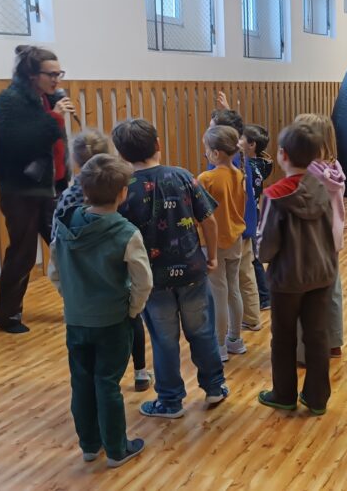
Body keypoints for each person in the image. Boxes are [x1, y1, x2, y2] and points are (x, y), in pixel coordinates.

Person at [112, 119, 229, 419]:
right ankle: (215, 386)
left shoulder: (124, 188)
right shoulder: (182, 176)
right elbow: (209, 220)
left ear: (121, 155)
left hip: (153, 280)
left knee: (164, 341)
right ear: (158, 144)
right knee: (202, 331)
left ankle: (170, 401)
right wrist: (212, 256)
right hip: (192, 271)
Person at [49, 153, 150, 468]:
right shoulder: (127, 232)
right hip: (113, 322)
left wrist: (72, 298)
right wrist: (133, 309)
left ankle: (90, 446)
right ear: (123, 193)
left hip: (76, 320)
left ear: (84, 190)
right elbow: (143, 281)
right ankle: (117, 449)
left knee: (81, 381)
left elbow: (54, 272)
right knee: (107, 383)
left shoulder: (64, 225)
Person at [52, 129, 154, 393]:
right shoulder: (120, 192)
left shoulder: (68, 198)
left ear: (76, 161)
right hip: (115, 288)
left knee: (86, 376)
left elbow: (55, 241)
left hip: (80, 294)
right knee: (132, 321)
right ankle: (140, 372)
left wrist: (68, 291)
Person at [0, 45, 75, 333]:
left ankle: (80, 305)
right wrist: (54, 118)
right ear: (31, 74)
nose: (57, 80)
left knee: (66, 248)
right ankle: (8, 315)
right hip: (21, 192)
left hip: (52, 188)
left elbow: (57, 146)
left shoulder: (49, 98)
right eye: (51, 74)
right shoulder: (10, 101)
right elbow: (20, 143)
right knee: (23, 253)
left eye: (59, 73)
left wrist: (64, 179)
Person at [256, 123, 338, 415]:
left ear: (282, 154)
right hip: (322, 274)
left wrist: (261, 255)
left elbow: (266, 244)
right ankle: (317, 398)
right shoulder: (320, 187)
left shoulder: (274, 194)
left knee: (283, 337)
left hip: (287, 279)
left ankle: (284, 394)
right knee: (317, 336)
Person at [211, 100, 270, 329]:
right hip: (246, 225)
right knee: (246, 275)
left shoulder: (222, 165)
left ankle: (229, 328)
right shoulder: (242, 157)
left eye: (212, 127)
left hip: (230, 229)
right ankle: (252, 319)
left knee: (228, 282)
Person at [295, 113, 346, 361]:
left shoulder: (305, 173)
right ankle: (334, 342)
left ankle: (305, 352)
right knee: (332, 289)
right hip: (331, 238)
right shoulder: (334, 167)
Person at [199, 125, 248, 361]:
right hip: (235, 239)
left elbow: (199, 214)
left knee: (218, 293)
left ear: (216, 153)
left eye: (207, 150)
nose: (206, 154)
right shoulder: (239, 174)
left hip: (213, 243)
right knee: (233, 289)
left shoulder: (206, 178)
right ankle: (235, 340)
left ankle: (218, 345)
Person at [241, 123, 275, 314]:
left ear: (252, 144)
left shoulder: (250, 167)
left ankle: (264, 296)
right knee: (252, 256)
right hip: (254, 213)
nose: (237, 142)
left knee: (253, 258)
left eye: (241, 138)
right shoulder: (261, 163)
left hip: (250, 216)